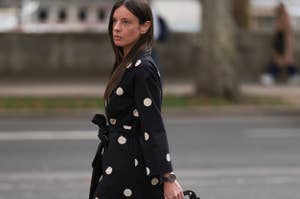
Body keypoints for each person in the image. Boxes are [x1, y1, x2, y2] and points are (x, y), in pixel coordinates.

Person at [89, 0, 184, 199]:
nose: (116, 28)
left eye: (126, 22)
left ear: (145, 27)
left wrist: (168, 178)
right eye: (114, 21)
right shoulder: (126, 64)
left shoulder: (143, 68)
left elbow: (153, 126)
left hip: (129, 167)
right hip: (117, 160)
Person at [261, 3, 299, 85]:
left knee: (284, 61)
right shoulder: (280, 18)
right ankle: (293, 75)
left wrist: (288, 49)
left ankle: (270, 76)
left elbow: (288, 35)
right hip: (279, 44)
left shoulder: (285, 19)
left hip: (283, 44)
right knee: (282, 61)